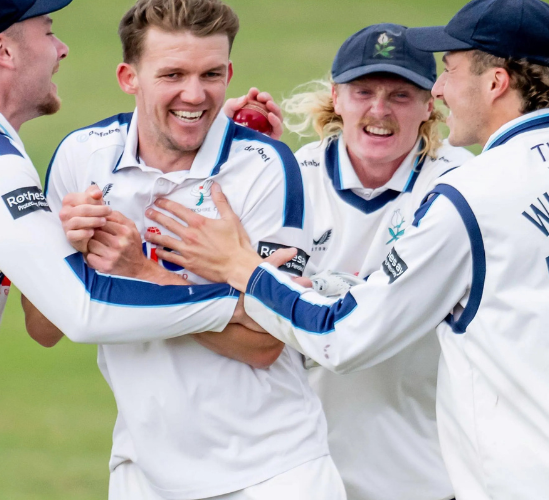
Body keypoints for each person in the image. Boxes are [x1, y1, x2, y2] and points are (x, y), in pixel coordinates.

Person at [136, 0, 549, 497]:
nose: (442, 88)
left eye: (449, 71)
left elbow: (345, 335)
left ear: (495, 82)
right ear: (338, 96)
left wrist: (244, 268)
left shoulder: (470, 194)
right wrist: (245, 164)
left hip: (525, 479)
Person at [0, 0, 259, 493]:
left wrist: (213, 130)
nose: (62, 48)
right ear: (3, 50)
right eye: (47, 31)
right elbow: (83, 309)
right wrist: (249, 301)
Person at [31, 0, 343, 497]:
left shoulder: (264, 166)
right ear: (129, 77)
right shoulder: (81, 156)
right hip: (141, 469)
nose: (195, 95)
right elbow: (44, 328)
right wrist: (68, 252)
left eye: (211, 74)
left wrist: (142, 273)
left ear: (229, 73)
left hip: (273, 470)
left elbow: (265, 344)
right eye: (173, 74)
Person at [221, 23, 473, 500]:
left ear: (430, 105)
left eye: (400, 95)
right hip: (301, 472)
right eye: (363, 92)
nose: (379, 110)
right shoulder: (288, 178)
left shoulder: (463, 188)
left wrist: (313, 292)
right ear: (336, 97)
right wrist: (233, 157)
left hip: (426, 473)